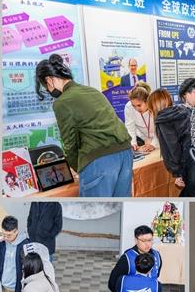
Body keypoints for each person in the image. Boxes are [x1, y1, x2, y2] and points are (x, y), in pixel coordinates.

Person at [35, 54, 133, 197]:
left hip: (99, 160)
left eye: (46, 87)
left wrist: (77, 167)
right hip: (125, 153)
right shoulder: (92, 91)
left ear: (49, 79)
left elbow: (69, 142)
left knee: (94, 212)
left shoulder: (62, 102)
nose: (49, 91)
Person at [153, 79, 195, 197]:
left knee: (193, 206)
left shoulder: (166, 119)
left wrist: (177, 173)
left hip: (193, 171)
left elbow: (172, 148)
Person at [123, 82, 157, 152]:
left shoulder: (156, 106)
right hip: (142, 137)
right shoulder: (129, 107)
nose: (136, 109)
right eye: (134, 106)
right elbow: (130, 127)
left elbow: (161, 129)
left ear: (147, 101)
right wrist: (133, 143)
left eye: (139, 105)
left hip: (158, 138)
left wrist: (153, 144)